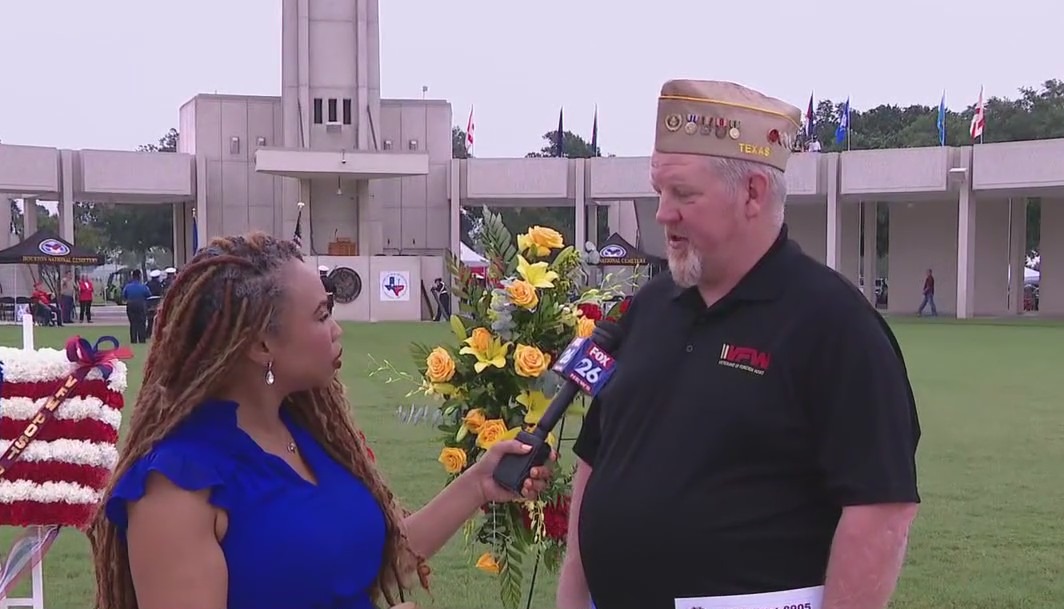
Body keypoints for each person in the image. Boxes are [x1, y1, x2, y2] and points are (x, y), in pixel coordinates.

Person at [556, 80, 921, 609]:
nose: (662, 213)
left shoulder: (835, 324)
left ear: (752, 193)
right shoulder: (648, 308)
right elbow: (596, 462)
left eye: (683, 194)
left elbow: (879, 511)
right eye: (659, 190)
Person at [89, 232, 553, 609]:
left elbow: (367, 562)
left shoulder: (305, 439)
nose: (336, 329)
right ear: (260, 345)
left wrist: (477, 484)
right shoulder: (175, 484)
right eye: (321, 315)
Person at [122, 269, 152, 344]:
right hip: (140, 305)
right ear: (140, 276)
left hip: (130, 304)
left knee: (133, 323)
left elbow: (124, 295)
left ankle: (133, 340)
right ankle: (142, 339)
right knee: (141, 323)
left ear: (132, 276)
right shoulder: (143, 286)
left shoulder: (128, 287)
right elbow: (148, 295)